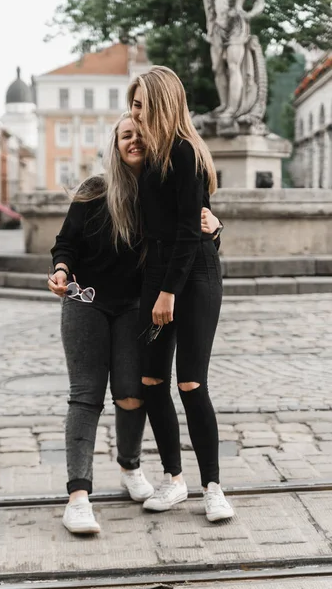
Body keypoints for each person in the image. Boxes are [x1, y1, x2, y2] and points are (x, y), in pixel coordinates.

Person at [48, 112, 222, 533]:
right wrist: (61, 269)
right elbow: (66, 241)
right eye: (126, 135)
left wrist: (215, 229)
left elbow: (191, 230)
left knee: (131, 393)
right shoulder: (94, 190)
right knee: (86, 395)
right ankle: (78, 498)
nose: (134, 141)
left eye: (140, 135)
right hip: (86, 301)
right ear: (116, 142)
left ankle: (129, 467)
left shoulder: (163, 187)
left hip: (134, 307)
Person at [128, 66, 234, 522]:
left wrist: (168, 293)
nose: (132, 114)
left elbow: (193, 231)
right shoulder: (147, 157)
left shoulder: (186, 153)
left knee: (190, 381)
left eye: (139, 106)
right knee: (152, 382)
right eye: (131, 106)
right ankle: (174, 480)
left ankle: (213, 487)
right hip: (159, 274)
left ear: (159, 104)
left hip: (193, 280)